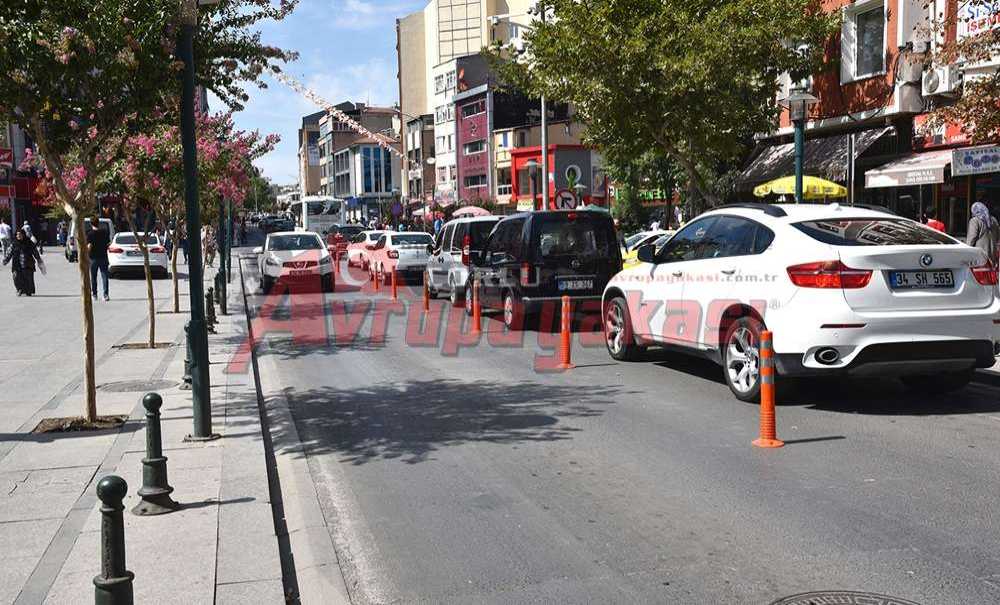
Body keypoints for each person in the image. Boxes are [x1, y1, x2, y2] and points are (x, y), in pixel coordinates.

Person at [3, 228, 42, 296]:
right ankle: (19, 289)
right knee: (16, 277)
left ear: (23, 235)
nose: (18, 236)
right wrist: (6, 260)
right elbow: (9, 252)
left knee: (28, 278)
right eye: (17, 235)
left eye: (20, 234)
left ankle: (28, 290)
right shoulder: (14, 243)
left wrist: (38, 259)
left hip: (27, 263)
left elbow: (35, 251)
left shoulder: (29, 242)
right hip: (16, 264)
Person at [967, 201, 999, 266]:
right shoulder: (994, 220)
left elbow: (971, 239)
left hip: (980, 258)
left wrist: (967, 253)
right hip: (992, 258)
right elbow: (998, 237)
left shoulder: (975, 221)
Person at [87, 221, 111, 301]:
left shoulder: (90, 234)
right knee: (105, 276)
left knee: (93, 277)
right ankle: (105, 295)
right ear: (98, 223)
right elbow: (108, 244)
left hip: (93, 258)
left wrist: (86, 254)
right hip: (103, 257)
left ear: (91, 224)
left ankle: (94, 295)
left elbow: (89, 246)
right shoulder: (104, 233)